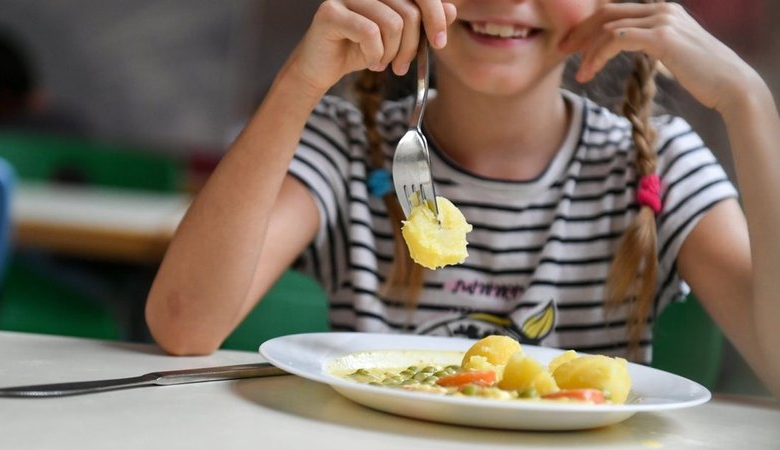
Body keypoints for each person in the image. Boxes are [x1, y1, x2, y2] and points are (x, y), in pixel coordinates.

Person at [144, 0, 780, 397]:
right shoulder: (346, 145)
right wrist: (299, 81)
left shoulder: (659, 160)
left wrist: (748, 104)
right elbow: (183, 324)